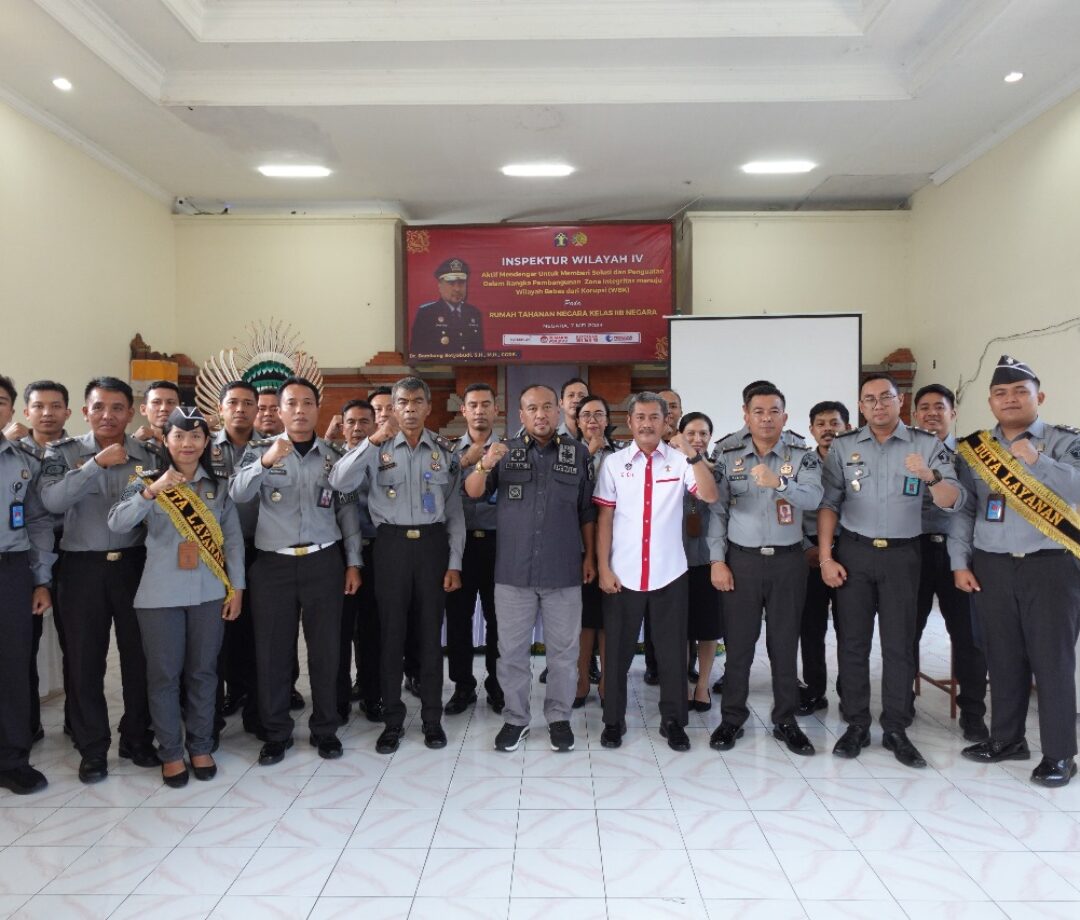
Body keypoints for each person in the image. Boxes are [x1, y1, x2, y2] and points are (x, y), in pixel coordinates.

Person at [818, 373, 961, 768]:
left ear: (900, 402)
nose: (878, 405)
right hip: (854, 553)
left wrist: (929, 476)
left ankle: (896, 726)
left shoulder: (926, 444)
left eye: (886, 398)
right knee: (853, 643)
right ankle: (857, 722)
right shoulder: (845, 447)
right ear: (861, 407)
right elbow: (829, 503)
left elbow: (953, 499)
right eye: (869, 400)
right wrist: (827, 557)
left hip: (903, 555)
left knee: (899, 644)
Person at [950, 356, 1080, 787]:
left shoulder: (1064, 442)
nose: (1010, 399)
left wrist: (1036, 461)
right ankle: (1006, 739)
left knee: (1052, 662)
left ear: (1038, 397)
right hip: (992, 566)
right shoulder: (975, 449)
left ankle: (1060, 754)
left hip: (1050, 567)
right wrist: (958, 562)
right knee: (1002, 657)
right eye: (1001, 393)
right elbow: (964, 511)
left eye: (1020, 391)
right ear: (990, 402)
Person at [108, 407, 245, 787]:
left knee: (203, 673)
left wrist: (237, 588)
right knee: (164, 676)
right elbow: (118, 522)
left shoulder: (217, 487)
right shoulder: (145, 480)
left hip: (208, 593)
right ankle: (170, 751)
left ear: (205, 442)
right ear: (166, 440)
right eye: (179, 436)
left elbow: (232, 540)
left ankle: (200, 745)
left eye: (196, 436)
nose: (188, 444)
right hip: (159, 596)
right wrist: (152, 493)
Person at [328, 376, 465, 754]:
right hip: (390, 548)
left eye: (416, 402)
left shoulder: (443, 450)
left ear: (427, 407)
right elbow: (340, 482)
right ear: (390, 407)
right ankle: (392, 721)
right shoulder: (376, 447)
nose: (408, 409)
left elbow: (454, 511)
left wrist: (454, 562)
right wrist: (370, 441)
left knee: (428, 637)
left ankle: (432, 719)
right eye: (400, 402)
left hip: (433, 547)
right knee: (390, 636)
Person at [229, 377, 362, 766]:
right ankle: (275, 732)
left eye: (307, 403)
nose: (300, 410)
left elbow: (347, 512)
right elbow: (237, 494)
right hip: (272, 564)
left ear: (318, 409)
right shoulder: (258, 452)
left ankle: (326, 729)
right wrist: (268, 460)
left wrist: (353, 562)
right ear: (278, 410)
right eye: (292, 404)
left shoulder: (334, 456)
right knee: (272, 651)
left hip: (324, 561)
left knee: (326, 650)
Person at [40, 376, 160, 783]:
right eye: (99, 407)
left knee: (138, 657)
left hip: (135, 565)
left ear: (130, 412)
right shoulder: (64, 453)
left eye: (117, 408)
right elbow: (52, 500)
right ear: (86, 411)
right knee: (84, 661)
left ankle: (137, 738)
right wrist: (94, 465)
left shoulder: (148, 454)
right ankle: (92, 749)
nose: (107, 415)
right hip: (81, 568)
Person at [464, 384, 595, 751]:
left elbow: (587, 512)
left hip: (564, 571)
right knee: (512, 653)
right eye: (532, 408)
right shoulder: (503, 451)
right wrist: (484, 463)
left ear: (558, 412)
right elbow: (473, 491)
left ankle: (558, 718)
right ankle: (516, 718)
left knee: (564, 655)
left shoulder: (578, 453)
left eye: (547, 407)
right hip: (513, 574)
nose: (541, 414)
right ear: (520, 415)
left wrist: (590, 558)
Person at [594, 392, 719, 751]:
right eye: (640, 417)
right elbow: (604, 519)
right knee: (616, 655)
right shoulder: (615, 464)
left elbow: (709, 495)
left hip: (669, 574)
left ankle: (673, 721)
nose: (647, 423)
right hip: (623, 574)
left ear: (666, 423)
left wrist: (691, 454)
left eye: (655, 417)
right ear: (630, 422)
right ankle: (613, 721)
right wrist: (603, 567)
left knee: (672, 655)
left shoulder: (681, 462)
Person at [708, 385, 824, 755]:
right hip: (741, 561)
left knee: (785, 644)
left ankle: (785, 720)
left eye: (774, 411)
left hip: (789, 561)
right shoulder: (727, 455)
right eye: (758, 411)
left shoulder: (802, 456)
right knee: (739, 644)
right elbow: (718, 512)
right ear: (746, 415)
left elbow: (813, 498)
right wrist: (717, 561)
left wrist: (780, 483)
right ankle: (732, 719)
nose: (766, 418)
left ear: (785, 417)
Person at [911, 383, 988, 741]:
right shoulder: (906, 452)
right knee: (907, 631)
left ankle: (973, 711)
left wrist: (962, 561)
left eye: (938, 407)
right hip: (914, 552)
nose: (930, 413)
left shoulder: (972, 456)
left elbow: (969, 510)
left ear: (952, 414)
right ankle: (903, 702)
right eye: (923, 407)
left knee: (969, 635)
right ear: (913, 415)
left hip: (962, 554)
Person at [0, 374, 54, 795]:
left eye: (1, 400)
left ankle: (13, 758)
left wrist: (40, 580)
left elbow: (36, 522)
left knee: (14, 666)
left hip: (12, 570)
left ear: (11, 409)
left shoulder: (22, 461)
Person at [9, 380, 72, 742]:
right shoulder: (13, 451)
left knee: (74, 642)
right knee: (23, 645)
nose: (47, 413)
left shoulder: (77, 451)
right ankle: (26, 724)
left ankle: (75, 721)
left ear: (67, 411)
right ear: (26, 411)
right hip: (24, 553)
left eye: (55, 406)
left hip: (71, 549)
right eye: (39, 406)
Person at [445, 383, 505, 716]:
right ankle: (463, 686)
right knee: (458, 619)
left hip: (499, 545)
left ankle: (497, 685)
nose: (479, 410)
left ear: (496, 410)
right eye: (473, 405)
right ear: (464, 411)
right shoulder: (448, 452)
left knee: (500, 621)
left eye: (486, 404)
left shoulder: (510, 450)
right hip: (460, 545)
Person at [210, 381, 265, 738]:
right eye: (233, 403)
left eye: (248, 403)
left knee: (259, 632)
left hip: (260, 547)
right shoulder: (201, 445)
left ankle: (258, 707)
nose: (241, 409)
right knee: (217, 633)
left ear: (258, 409)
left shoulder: (272, 447)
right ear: (220, 408)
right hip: (211, 551)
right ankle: (217, 706)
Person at [797, 400, 851, 716]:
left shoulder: (858, 459)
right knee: (811, 626)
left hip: (850, 549)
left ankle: (850, 694)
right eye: (821, 423)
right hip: (810, 552)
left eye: (834, 422)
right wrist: (806, 546)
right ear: (812, 429)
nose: (828, 429)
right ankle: (815, 691)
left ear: (847, 427)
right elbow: (786, 510)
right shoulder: (801, 462)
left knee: (850, 628)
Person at [335, 398, 383, 723]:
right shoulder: (331, 460)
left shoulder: (385, 459)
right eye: (351, 422)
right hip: (337, 554)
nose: (357, 428)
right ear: (342, 427)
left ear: (374, 425)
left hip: (378, 550)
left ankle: (370, 692)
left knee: (372, 628)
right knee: (338, 630)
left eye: (364, 422)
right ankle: (337, 700)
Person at [574, 394, 620, 706]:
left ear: (608, 420)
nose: (593, 420)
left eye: (599, 415)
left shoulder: (621, 456)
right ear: (577, 422)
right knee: (582, 618)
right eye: (586, 415)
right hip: (575, 545)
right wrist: (586, 456)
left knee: (608, 617)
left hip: (616, 546)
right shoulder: (568, 454)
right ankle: (579, 680)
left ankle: (607, 680)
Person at [678, 412, 722, 711]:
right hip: (675, 561)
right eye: (691, 433)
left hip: (709, 560)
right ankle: (680, 683)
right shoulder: (669, 466)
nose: (697, 439)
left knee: (708, 628)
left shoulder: (718, 470)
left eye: (703, 434)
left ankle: (703, 685)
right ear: (680, 435)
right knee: (679, 629)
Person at [410, 258, 485, 358]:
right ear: (440, 285)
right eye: (451, 283)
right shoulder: (427, 313)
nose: (457, 289)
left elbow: (479, 355)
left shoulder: (474, 313)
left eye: (461, 283)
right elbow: (416, 354)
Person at [134, 380, 181, 449]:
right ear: (143, 410)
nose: (164, 408)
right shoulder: (133, 443)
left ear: (180, 409)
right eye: (156, 402)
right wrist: (134, 442)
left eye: (170, 402)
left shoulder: (191, 444)